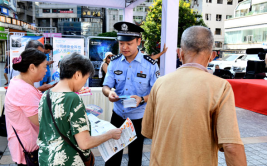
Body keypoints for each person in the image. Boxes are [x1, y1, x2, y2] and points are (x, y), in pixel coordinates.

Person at [142, 26, 247, 166]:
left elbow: (148, 131)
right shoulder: (221, 87)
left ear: (180, 53)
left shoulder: (159, 84)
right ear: (212, 55)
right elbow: (231, 147)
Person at [38, 53, 122, 166]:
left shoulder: (46, 94)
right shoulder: (73, 98)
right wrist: (110, 135)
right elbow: (85, 143)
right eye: (85, 78)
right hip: (67, 160)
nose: (84, 84)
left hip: (45, 158)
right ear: (77, 74)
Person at [102, 22, 159, 166]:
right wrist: (109, 93)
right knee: (113, 155)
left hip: (138, 118)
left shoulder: (150, 65)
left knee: (135, 157)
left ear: (139, 41)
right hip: (118, 115)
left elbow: (157, 92)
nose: (124, 47)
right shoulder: (114, 62)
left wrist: (142, 99)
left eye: (129, 43)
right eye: (121, 43)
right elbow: (106, 86)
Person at [5, 48, 47, 166]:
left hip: (23, 142)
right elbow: (40, 120)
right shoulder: (24, 90)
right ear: (32, 67)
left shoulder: (17, 82)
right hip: (30, 148)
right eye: (44, 67)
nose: (46, 70)